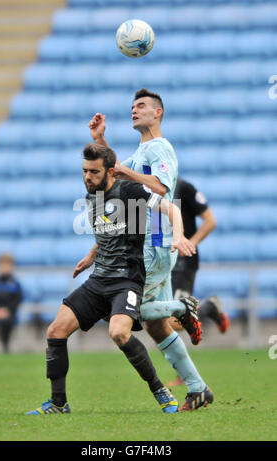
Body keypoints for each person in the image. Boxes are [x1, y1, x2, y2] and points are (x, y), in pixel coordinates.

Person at [26, 143, 192, 416]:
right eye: (84, 171)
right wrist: (91, 255)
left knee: (118, 333)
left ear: (110, 172)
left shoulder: (131, 191)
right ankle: (58, 403)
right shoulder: (92, 197)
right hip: (99, 279)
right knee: (56, 330)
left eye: (93, 172)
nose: (87, 177)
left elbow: (171, 210)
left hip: (127, 279)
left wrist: (178, 237)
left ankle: (161, 390)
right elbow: (108, 233)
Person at [84, 88, 213, 411]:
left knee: (137, 312)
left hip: (155, 243)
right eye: (132, 106)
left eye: (141, 106)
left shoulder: (160, 148)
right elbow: (113, 172)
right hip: (148, 242)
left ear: (158, 113)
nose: (134, 110)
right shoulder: (143, 150)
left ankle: (183, 307)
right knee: (157, 326)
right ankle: (198, 388)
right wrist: (101, 140)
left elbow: (160, 189)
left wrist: (125, 170)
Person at [167, 178, 230, 387]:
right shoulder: (150, 189)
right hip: (162, 263)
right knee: (161, 320)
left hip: (183, 264)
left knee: (174, 321)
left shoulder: (183, 188)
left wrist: (190, 244)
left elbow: (210, 220)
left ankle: (210, 306)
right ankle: (183, 372)